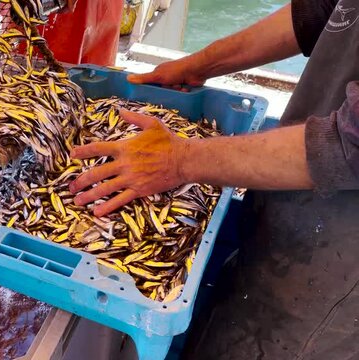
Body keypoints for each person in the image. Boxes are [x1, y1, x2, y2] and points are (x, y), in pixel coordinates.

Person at [69, 1, 359, 359]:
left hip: (336, 274)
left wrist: (179, 159)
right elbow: (323, 10)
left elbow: (351, 142)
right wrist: (198, 65)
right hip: (291, 217)